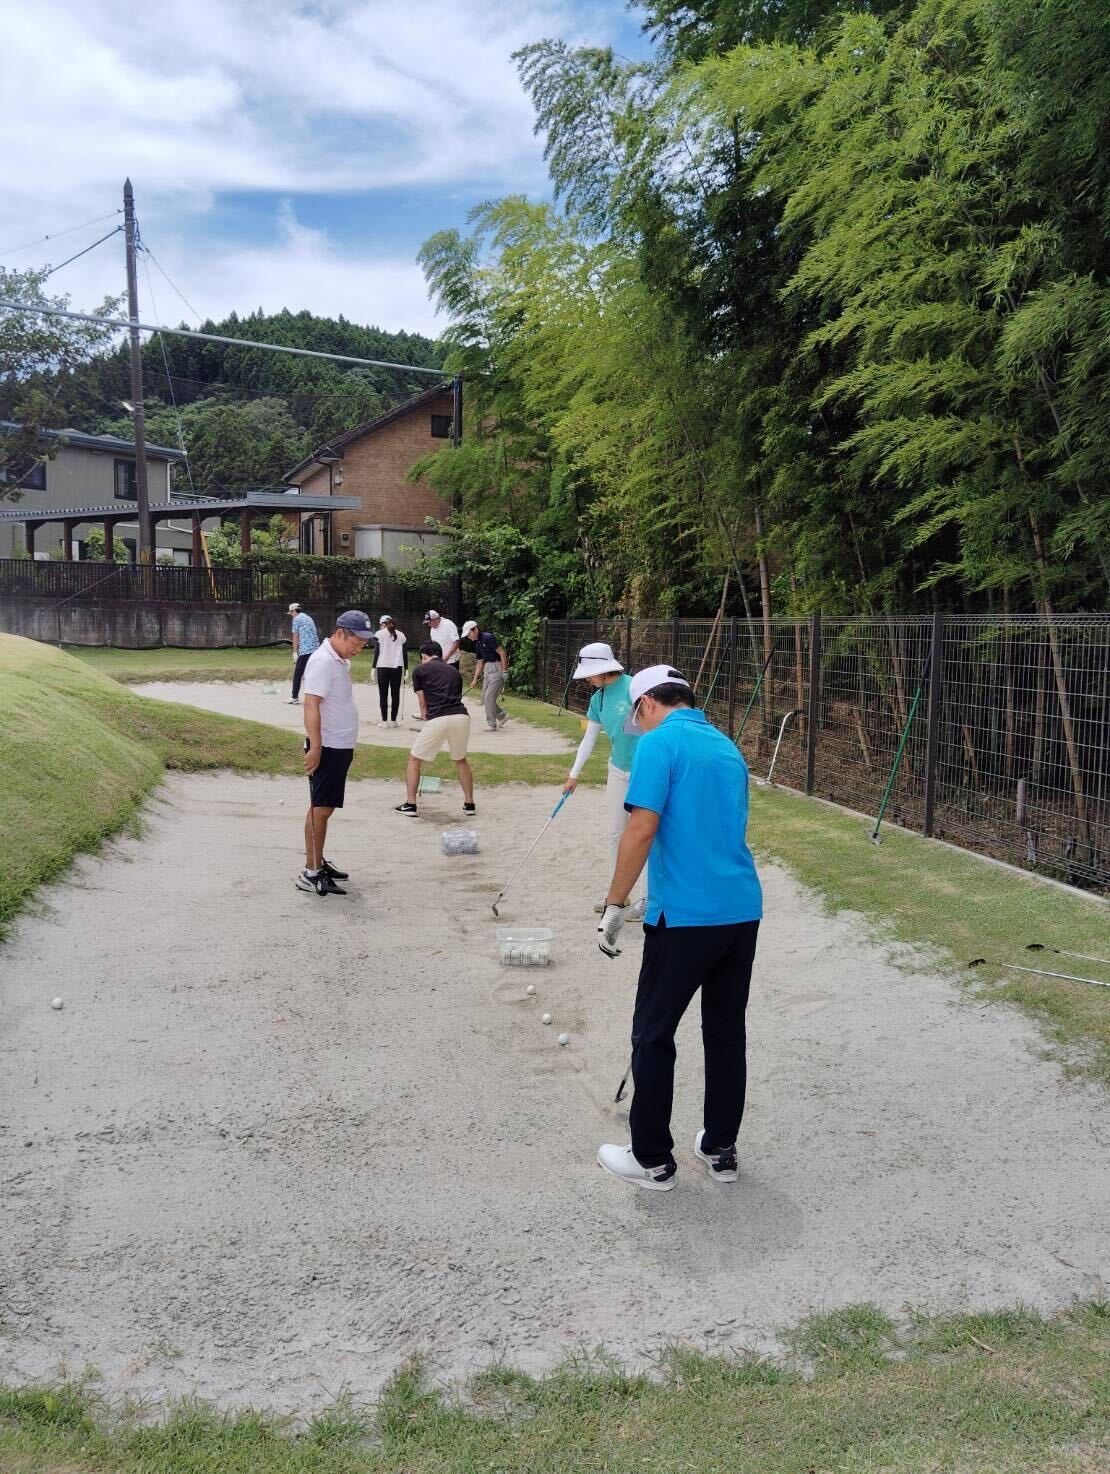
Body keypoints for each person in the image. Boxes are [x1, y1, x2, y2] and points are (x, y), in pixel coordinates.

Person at [595, 665, 763, 1193]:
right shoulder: (726, 745)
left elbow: (641, 828)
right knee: (725, 1031)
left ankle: (651, 1159)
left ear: (646, 704)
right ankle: (720, 1147)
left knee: (653, 1032)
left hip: (686, 916)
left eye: (636, 718)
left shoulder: (658, 744)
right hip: (740, 910)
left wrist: (615, 903)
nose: (638, 728)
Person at [562, 643, 645, 921]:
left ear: (605, 669)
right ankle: (618, 896)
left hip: (646, 771)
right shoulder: (597, 699)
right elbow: (589, 739)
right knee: (616, 833)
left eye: (590, 673)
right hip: (617, 769)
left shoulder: (635, 688)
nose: (587, 678)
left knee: (645, 834)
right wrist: (574, 774)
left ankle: (648, 900)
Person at [296, 610, 375, 896]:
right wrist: (316, 747)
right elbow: (311, 705)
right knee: (320, 809)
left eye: (363, 645)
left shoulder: (339, 660)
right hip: (327, 746)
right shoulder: (322, 661)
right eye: (356, 643)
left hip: (339, 746)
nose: (359, 649)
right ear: (340, 633)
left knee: (325, 808)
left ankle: (318, 860)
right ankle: (311, 872)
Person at [394, 641, 476, 818]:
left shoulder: (420, 670)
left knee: (414, 759)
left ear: (424, 656)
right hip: (461, 717)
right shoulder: (454, 671)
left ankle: (410, 804)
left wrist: (425, 716)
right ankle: (469, 804)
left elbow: (422, 702)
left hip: (439, 718)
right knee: (460, 759)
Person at [463, 619, 509, 732]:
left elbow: (502, 653)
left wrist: (504, 671)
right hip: (488, 668)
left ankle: (492, 724)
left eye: (469, 634)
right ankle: (502, 715)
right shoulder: (478, 643)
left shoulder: (488, 637)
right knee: (484, 698)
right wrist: (475, 679)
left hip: (497, 667)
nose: (468, 637)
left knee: (489, 697)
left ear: (475, 629)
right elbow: (480, 662)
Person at [372, 614, 407, 727]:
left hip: (382, 667)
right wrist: (406, 668)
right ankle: (393, 721)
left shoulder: (379, 634)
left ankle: (384, 721)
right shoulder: (401, 635)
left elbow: (376, 652)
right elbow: (404, 653)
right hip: (397, 667)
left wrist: (373, 667)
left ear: (384, 624)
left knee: (383, 695)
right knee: (395, 694)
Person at [287, 602, 319, 704]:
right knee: (312, 674)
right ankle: (317, 697)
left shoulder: (296, 619)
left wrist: (295, 652)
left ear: (294, 611)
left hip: (306, 650)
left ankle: (294, 697)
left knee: (298, 674)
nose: (291, 615)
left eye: (291, 613)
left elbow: (295, 636)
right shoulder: (308, 617)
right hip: (316, 650)